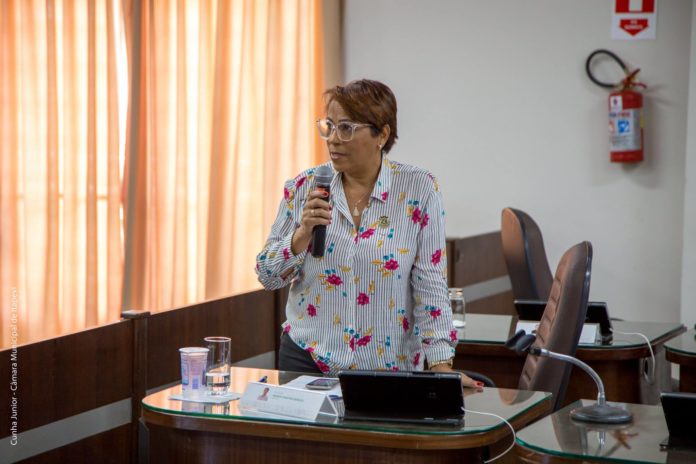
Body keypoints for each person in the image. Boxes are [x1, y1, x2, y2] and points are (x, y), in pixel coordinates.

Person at [255, 79, 482, 390]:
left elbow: (430, 283)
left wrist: (441, 366)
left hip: (388, 367)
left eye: (346, 128)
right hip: (309, 361)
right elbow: (267, 275)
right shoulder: (304, 186)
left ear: (382, 134)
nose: (333, 139)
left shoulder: (418, 189)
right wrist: (302, 233)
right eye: (329, 126)